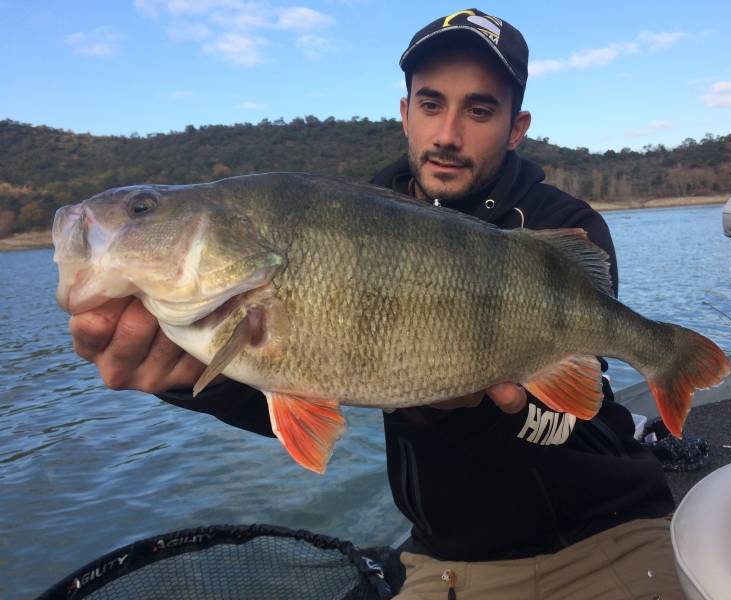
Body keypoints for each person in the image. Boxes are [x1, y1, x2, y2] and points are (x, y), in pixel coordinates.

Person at [68, 9, 684, 599]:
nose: (447, 133)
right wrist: (178, 378)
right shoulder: (352, 219)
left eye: (479, 109)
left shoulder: (562, 230)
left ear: (516, 127)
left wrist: (451, 409)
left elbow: (576, 415)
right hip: (445, 562)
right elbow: (299, 382)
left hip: (610, 533)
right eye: (431, 103)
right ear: (405, 112)